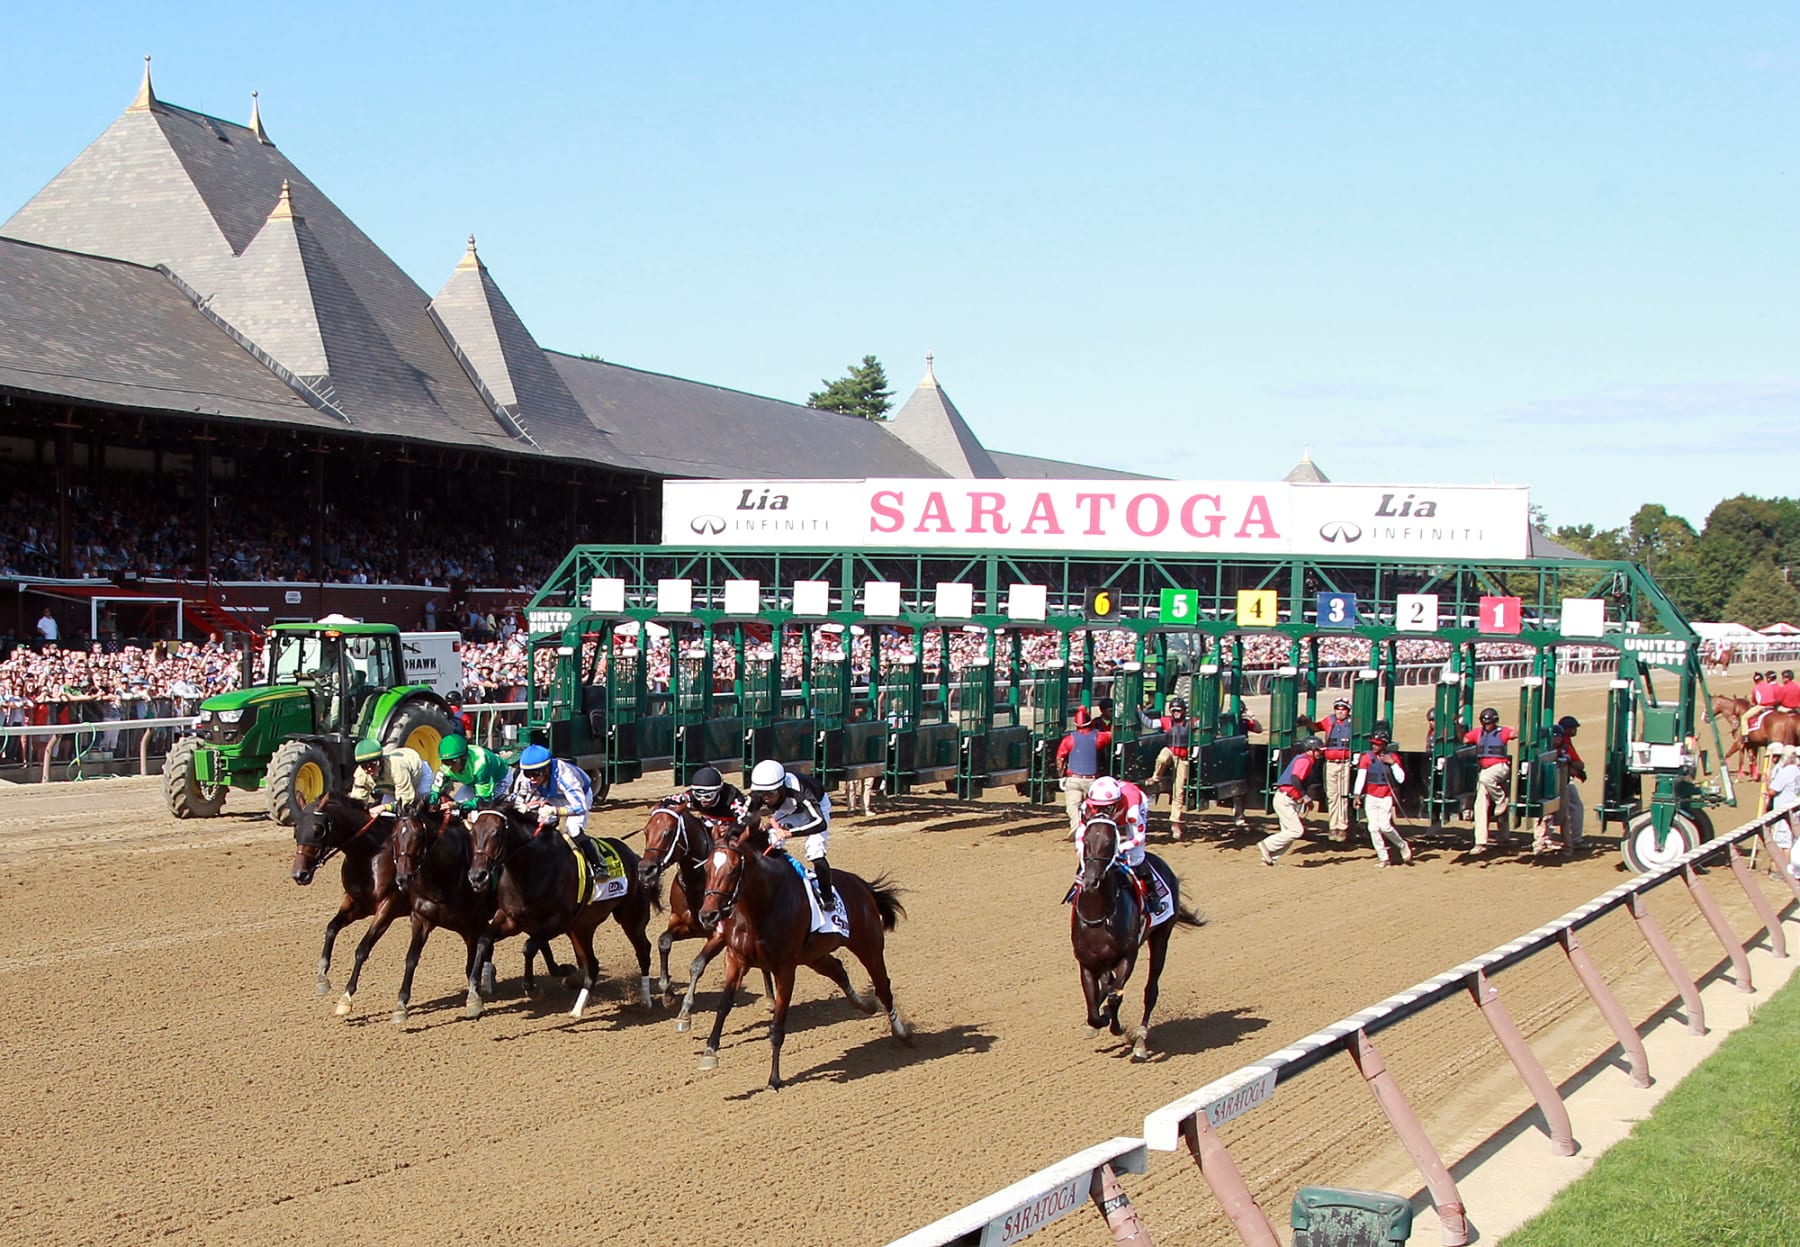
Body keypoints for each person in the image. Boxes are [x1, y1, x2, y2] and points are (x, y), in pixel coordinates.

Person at [745, 758, 835, 909]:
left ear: (781, 787)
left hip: (817, 808)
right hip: (789, 808)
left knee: (815, 851)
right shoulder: (761, 794)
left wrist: (789, 833)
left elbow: (819, 823)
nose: (765, 798)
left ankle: (828, 898)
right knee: (771, 841)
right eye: (761, 793)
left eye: (771, 793)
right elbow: (745, 814)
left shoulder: (801, 792)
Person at [507, 742, 596, 860]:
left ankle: (597, 863)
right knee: (539, 823)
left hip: (579, 797)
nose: (532, 778)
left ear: (547, 769)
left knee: (573, 830)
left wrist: (555, 810)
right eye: (528, 773)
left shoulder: (565, 776)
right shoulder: (525, 778)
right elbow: (519, 797)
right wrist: (520, 807)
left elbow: (580, 807)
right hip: (552, 796)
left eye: (536, 773)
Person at [1073, 775, 1155, 895]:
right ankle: (1077, 888)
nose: (1101, 811)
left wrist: (1120, 849)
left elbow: (1139, 838)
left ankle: (1152, 896)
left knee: (1136, 857)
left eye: (1106, 807)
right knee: (1089, 853)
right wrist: (1080, 848)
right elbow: (1081, 831)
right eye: (1097, 807)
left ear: (1115, 805)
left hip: (1133, 804)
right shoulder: (1087, 808)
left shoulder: (1132, 812)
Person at [1258, 736, 1324, 866]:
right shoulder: (1305, 760)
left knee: (1288, 834)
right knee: (1296, 831)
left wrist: (1302, 798)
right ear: (1310, 750)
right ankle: (1267, 844)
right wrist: (1304, 797)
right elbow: (1295, 779)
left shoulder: (1304, 759)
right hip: (1285, 799)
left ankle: (1269, 859)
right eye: (1317, 750)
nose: (1320, 753)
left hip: (1287, 798)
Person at [1462, 708, 1516, 853]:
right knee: (1480, 802)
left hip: (1500, 767)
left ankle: (1501, 799)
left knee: (1485, 778)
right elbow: (1464, 739)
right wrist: (1456, 724)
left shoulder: (1502, 731)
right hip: (1485, 770)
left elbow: (1516, 734)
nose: (1487, 726)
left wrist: (1524, 716)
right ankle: (1480, 841)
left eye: (1489, 723)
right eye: (1484, 723)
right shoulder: (1478, 733)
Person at [1355, 729, 1411, 867]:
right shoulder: (1366, 757)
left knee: (1385, 826)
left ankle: (1402, 845)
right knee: (1373, 828)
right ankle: (1383, 858)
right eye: (1373, 743)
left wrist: (1392, 763)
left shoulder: (1392, 757)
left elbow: (1401, 779)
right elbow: (1361, 776)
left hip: (1386, 797)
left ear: (1384, 744)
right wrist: (1357, 794)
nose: (1374, 746)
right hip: (1370, 797)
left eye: (1377, 744)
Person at [1055, 708, 1112, 838]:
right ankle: (1091, 828)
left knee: (1072, 806)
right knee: (1092, 806)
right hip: (1092, 781)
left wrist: (1061, 776)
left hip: (1073, 779)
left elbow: (1060, 758)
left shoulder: (1069, 739)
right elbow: (1111, 735)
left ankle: (1076, 827)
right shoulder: (1098, 737)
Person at [1537, 715, 1588, 855]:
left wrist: (1573, 766)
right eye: (1573, 728)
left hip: (1562, 781)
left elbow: (1578, 763)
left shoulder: (1565, 743)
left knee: (1564, 810)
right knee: (1557, 811)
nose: (1575, 730)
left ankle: (1566, 840)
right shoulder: (1561, 742)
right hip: (1555, 783)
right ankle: (1567, 840)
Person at [1143, 697, 1193, 839]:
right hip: (1170, 751)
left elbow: (1205, 724)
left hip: (1183, 758)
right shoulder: (1166, 721)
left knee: (1179, 790)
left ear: (1184, 711)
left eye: (1178, 710)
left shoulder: (1191, 723)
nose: (1176, 713)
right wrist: (1139, 712)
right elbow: (1150, 723)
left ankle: (1175, 823)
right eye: (1173, 710)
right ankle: (1155, 777)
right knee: (1162, 757)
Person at [348, 737, 433, 815]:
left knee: (417, 808)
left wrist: (384, 807)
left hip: (420, 776)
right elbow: (357, 801)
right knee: (386, 815)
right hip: (393, 786)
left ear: (381, 760)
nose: (369, 769)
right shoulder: (361, 773)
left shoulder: (396, 767)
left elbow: (406, 801)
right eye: (364, 766)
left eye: (373, 764)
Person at [429, 732, 509, 809]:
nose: (449, 766)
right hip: (472, 782)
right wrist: (432, 803)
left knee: (481, 814)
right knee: (455, 813)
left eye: (453, 762)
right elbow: (435, 790)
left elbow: (483, 802)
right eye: (445, 762)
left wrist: (457, 805)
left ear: (464, 758)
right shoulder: (445, 767)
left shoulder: (480, 765)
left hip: (498, 780)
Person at [1320, 696, 1355, 842]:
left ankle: (1342, 826)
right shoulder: (1329, 721)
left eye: (1343, 709)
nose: (1340, 711)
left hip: (1345, 763)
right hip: (1330, 763)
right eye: (1338, 708)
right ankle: (1333, 826)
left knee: (1343, 796)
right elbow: (1315, 727)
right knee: (1332, 796)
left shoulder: (1353, 723)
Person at [675, 764, 746, 827]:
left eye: (708, 796)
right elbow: (669, 801)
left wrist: (730, 829)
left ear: (718, 791)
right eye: (698, 796)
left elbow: (745, 819)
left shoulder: (733, 798)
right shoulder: (690, 796)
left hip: (731, 828)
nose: (702, 800)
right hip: (706, 826)